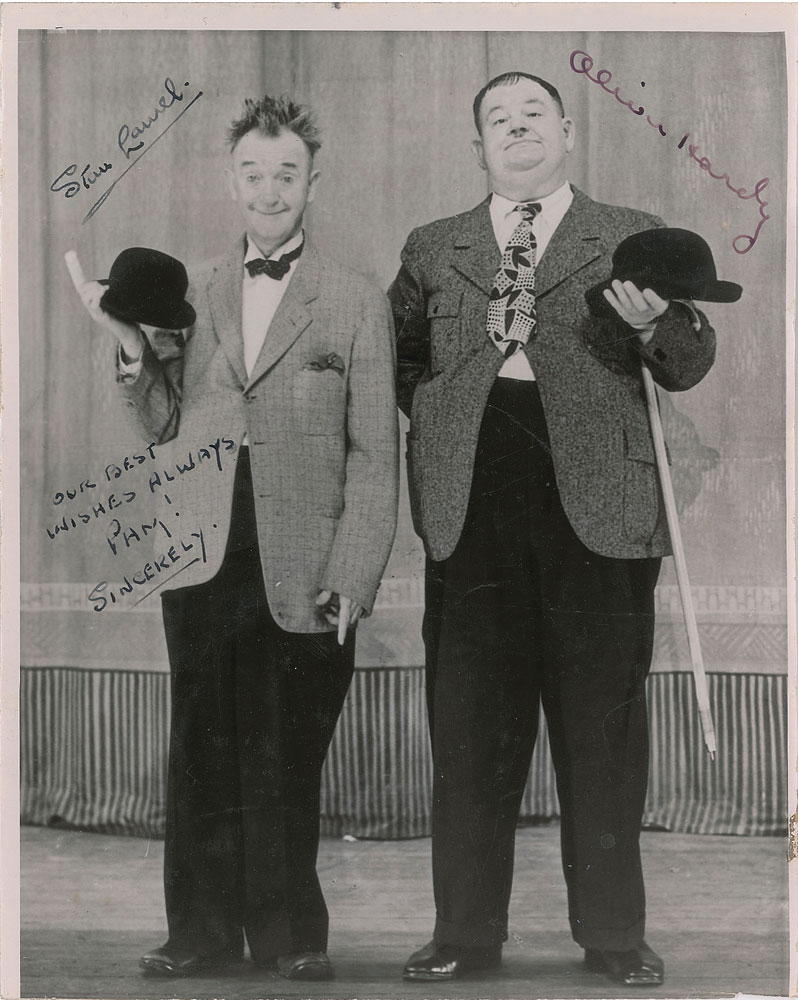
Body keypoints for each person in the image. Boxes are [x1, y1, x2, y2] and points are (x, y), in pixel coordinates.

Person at [388, 71, 716, 986]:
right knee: (469, 728)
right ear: (478, 147)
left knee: (601, 729)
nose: (517, 126)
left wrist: (656, 328)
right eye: (498, 118)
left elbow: (690, 359)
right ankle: (465, 932)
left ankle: (613, 935)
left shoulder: (628, 233)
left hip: (601, 510)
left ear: (568, 132)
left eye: (534, 113)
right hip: (472, 503)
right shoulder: (433, 246)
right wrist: (443, 427)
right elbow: (398, 362)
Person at [67, 94, 398, 982]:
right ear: (231, 181)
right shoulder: (198, 292)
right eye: (253, 173)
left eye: (286, 174)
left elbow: (376, 454)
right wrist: (130, 348)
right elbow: (162, 424)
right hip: (201, 549)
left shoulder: (357, 300)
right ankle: (199, 936)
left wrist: (354, 573)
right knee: (202, 749)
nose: (269, 189)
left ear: (312, 184)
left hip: (307, 561)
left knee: (286, 753)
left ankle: (292, 937)